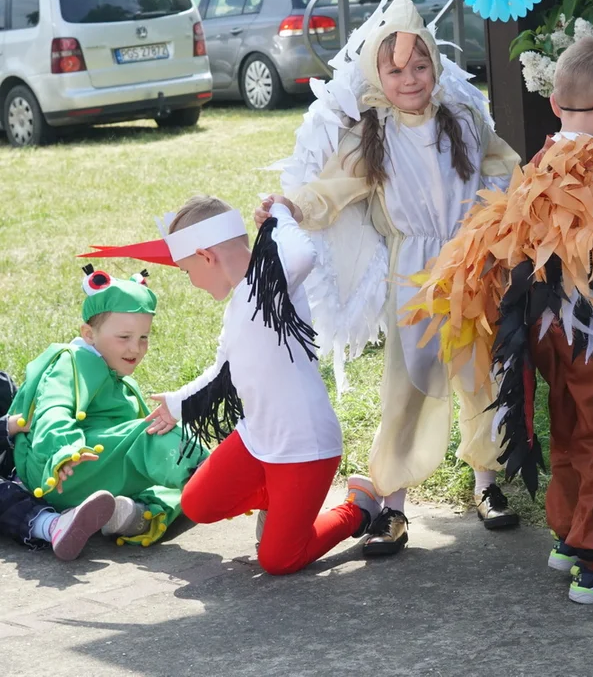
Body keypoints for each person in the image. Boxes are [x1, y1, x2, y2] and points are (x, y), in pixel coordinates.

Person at [403, 35, 593, 603]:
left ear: (555, 104)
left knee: (572, 423)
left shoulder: (537, 165)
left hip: (540, 330)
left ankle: (570, 533)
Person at [268, 0, 523, 554]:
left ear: (435, 65)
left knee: (480, 376)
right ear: (376, 75)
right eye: (396, 69)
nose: (410, 78)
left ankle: (488, 483)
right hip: (411, 274)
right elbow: (331, 190)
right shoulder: (371, 134)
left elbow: (505, 168)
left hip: (469, 265)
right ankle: (393, 504)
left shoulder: (464, 119)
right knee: (407, 386)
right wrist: (291, 206)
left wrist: (500, 213)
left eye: (420, 65)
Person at [86, 195, 382, 576]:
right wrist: (177, 404)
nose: (191, 282)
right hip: (258, 441)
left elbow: (303, 254)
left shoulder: (268, 284)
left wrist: (281, 214)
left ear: (206, 257)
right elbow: (223, 371)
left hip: (305, 448)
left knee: (279, 559)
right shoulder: (236, 307)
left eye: (186, 270)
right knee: (197, 503)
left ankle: (359, 507)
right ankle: (281, 503)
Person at [8, 268, 206, 547]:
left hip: (92, 469)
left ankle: (128, 515)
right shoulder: (72, 362)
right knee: (154, 434)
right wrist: (65, 451)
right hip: (63, 469)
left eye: (144, 338)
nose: (135, 348)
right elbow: (52, 411)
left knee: (172, 486)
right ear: (88, 334)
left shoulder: (116, 376)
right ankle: (216, 477)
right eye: (124, 337)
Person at [0, 370, 115, 560]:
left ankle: (104, 510)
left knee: (45, 455)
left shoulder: (3, 385)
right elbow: (18, 422)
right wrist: (11, 425)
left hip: (14, 466)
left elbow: (27, 410)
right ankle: (52, 526)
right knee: (5, 498)